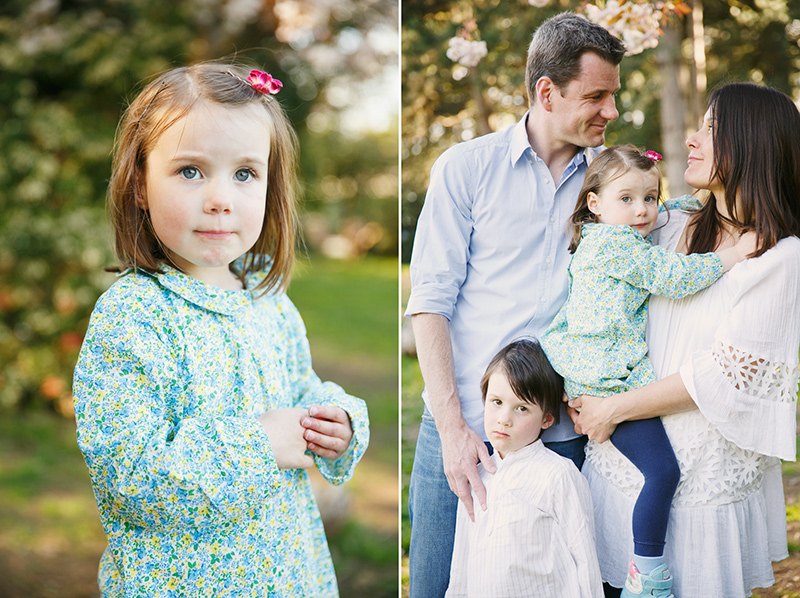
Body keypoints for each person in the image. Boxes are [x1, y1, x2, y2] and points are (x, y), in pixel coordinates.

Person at [72, 63, 370, 597]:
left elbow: (299, 389)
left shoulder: (267, 301)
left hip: (286, 574)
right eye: (190, 171)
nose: (220, 199)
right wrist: (259, 443)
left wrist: (333, 419)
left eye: (245, 174)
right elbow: (128, 478)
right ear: (140, 185)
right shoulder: (134, 317)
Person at [404, 13, 625, 596]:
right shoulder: (465, 168)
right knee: (434, 585)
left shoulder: (611, 185)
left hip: (560, 435)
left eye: (613, 95)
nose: (611, 110)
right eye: (596, 96)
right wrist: (454, 429)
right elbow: (429, 304)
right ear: (547, 93)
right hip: (463, 430)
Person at [570, 82, 800, 598]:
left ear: (752, 143)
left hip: (697, 484)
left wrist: (611, 409)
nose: (692, 139)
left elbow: (722, 375)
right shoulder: (669, 224)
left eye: (711, 128)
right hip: (620, 464)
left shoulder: (779, 257)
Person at [540, 144, 755, 598]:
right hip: (606, 381)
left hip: (594, 370)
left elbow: (658, 213)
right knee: (662, 473)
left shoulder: (604, 233)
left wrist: (684, 204)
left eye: (650, 197)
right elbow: (674, 277)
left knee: (656, 472)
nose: (642, 210)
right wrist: (734, 254)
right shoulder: (618, 246)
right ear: (594, 203)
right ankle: (648, 574)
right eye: (627, 199)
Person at [445, 339, 604, 598]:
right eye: (497, 402)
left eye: (521, 408)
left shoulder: (558, 475)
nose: (504, 419)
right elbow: (462, 563)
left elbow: (585, 560)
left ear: (547, 419)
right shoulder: (477, 475)